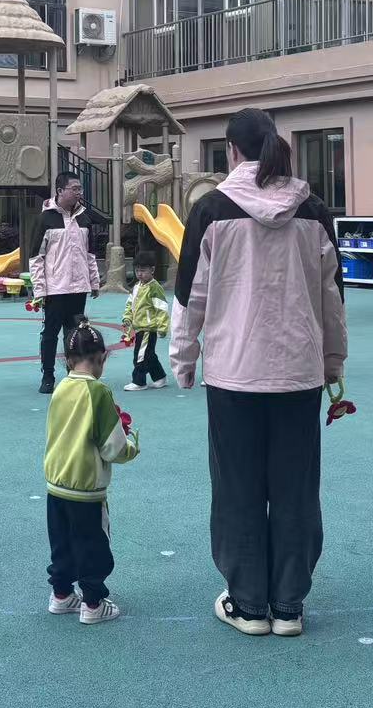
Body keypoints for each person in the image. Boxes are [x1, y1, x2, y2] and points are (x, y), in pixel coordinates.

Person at [171, 107, 346, 639]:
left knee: (237, 488)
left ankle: (248, 604)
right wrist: (333, 360)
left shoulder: (210, 209)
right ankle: (288, 605)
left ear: (231, 150)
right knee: (296, 489)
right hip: (298, 373)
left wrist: (183, 358)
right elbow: (331, 296)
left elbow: (190, 294)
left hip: (234, 374)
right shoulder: (313, 210)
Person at [44, 319, 138, 625]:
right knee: (93, 545)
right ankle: (93, 603)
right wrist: (132, 444)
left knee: (62, 543)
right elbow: (113, 447)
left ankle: (61, 595)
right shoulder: (98, 391)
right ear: (101, 358)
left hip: (56, 483)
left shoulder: (61, 388)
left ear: (68, 360)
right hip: (86, 488)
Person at [28, 171, 102, 395]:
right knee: (50, 335)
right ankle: (48, 376)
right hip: (55, 289)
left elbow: (90, 254)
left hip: (79, 288)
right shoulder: (45, 219)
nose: (79, 192)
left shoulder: (84, 218)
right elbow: (36, 257)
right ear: (60, 191)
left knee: (75, 334)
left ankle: (74, 375)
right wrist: (40, 290)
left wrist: (94, 281)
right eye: (74, 189)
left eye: (80, 188)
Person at [121, 249, 170, 391]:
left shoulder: (154, 288)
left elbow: (161, 308)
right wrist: (127, 317)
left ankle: (139, 381)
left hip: (148, 328)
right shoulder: (137, 286)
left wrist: (162, 327)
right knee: (149, 354)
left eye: (143, 271)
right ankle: (160, 377)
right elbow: (130, 304)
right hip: (139, 327)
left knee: (140, 355)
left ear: (152, 270)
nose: (139, 274)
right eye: (137, 271)